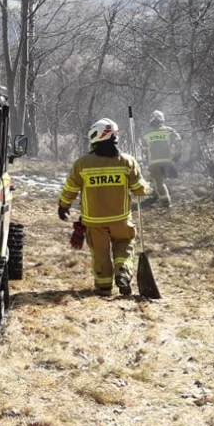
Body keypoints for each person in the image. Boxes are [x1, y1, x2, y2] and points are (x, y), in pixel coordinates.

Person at [59, 118, 148, 297]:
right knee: (124, 245)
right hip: (121, 219)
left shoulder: (82, 163)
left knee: (100, 254)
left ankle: (104, 288)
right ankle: (123, 273)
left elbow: (71, 188)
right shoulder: (127, 161)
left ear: (95, 137)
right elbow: (140, 191)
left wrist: (63, 205)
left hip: (94, 221)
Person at [142, 110, 182, 206]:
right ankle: (159, 194)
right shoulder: (169, 131)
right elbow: (178, 142)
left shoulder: (147, 134)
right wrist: (177, 155)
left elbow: (144, 150)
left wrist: (147, 158)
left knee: (159, 182)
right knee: (163, 180)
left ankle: (166, 202)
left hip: (153, 163)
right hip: (167, 161)